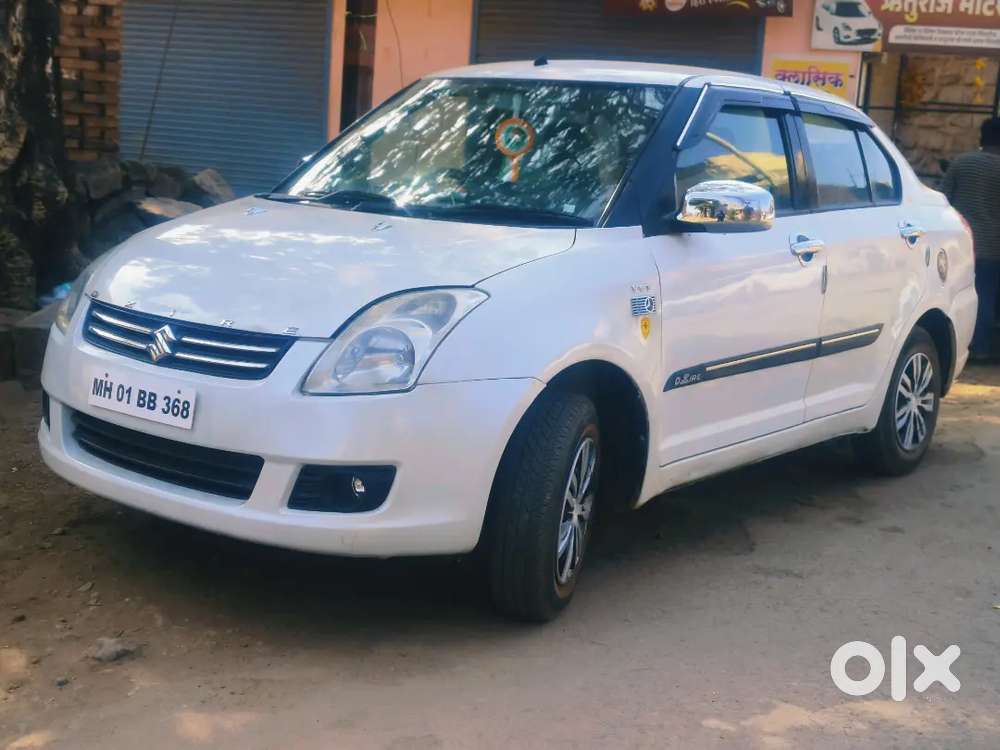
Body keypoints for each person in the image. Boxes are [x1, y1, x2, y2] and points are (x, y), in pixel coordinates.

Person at [942, 117, 1000, 361]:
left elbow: (943, 200)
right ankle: (982, 349)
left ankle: (955, 347)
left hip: (961, 246)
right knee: (985, 298)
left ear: (981, 137)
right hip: (993, 248)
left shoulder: (962, 163)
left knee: (955, 296)